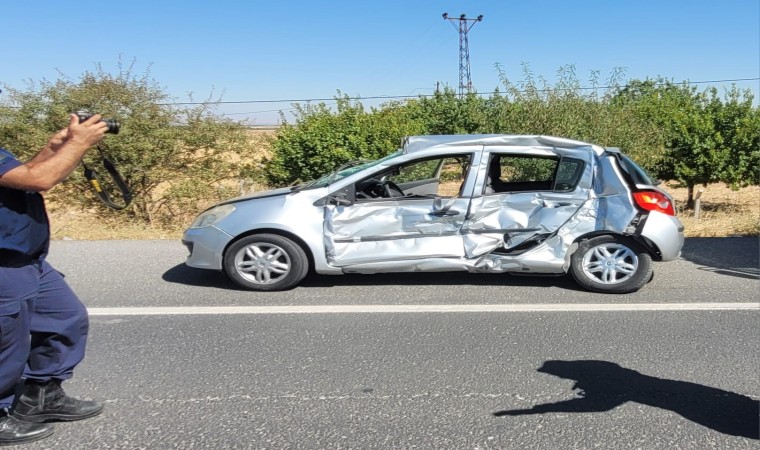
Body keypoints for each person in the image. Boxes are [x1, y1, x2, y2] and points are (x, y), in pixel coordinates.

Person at [0, 113, 109, 445]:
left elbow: (24, 174)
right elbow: (40, 179)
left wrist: (55, 146)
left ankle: (41, 396)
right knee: (7, 345)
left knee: (66, 317)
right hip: (4, 264)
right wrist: (80, 143)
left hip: (27, 259)